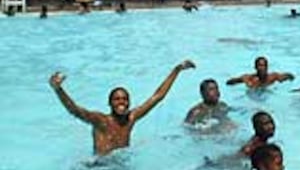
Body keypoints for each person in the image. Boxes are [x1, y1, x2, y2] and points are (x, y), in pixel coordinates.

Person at [49, 60, 195, 155]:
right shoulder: (100, 120)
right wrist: (58, 89)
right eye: (117, 99)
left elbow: (158, 96)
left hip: (121, 164)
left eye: (125, 99)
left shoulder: (131, 118)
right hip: (100, 166)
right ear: (110, 103)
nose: (121, 102)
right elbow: (74, 110)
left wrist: (177, 70)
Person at [226, 56, 294, 89]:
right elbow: (229, 82)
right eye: (260, 66)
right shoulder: (249, 78)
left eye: (264, 66)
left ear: (267, 67)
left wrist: (289, 77)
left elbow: (289, 76)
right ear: (255, 67)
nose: (262, 68)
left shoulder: (273, 77)